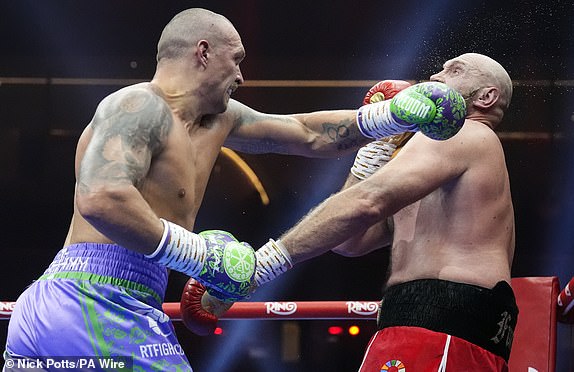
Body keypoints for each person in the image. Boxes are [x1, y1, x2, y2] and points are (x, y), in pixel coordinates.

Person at [2, 7, 462, 372]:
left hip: (72, 310)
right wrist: (197, 255)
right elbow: (100, 198)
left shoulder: (219, 119)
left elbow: (306, 133)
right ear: (203, 52)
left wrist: (392, 117)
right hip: (96, 300)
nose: (242, 75)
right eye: (236, 58)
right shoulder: (136, 105)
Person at [248, 53, 518, 371]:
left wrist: (262, 265)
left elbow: (368, 201)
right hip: (427, 320)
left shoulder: (460, 133)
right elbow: (351, 241)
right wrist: (374, 152)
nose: (435, 77)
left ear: (487, 97)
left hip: (442, 322)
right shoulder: (443, 160)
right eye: (440, 68)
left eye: (455, 70)